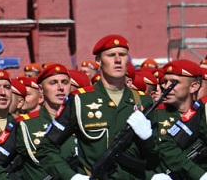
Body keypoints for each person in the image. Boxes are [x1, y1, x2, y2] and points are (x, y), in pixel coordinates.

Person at [35, 34, 155, 180]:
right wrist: (71, 177)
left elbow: (157, 157)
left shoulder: (143, 102)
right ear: (98, 60)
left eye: (122, 55)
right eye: (111, 55)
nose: (118, 60)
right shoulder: (80, 100)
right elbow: (46, 148)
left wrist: (148, 139)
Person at [0, 63, 75, 180]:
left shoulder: (82, 119)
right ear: (41, 89)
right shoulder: (24, 125)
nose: (60, 87)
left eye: (65, 82)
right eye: (53, 83)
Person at [152, 59, 205, 180]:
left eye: (174, 82)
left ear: (193, 86)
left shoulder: (203, 114)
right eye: (165, 82)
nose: (166, 87)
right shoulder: (155, 115)